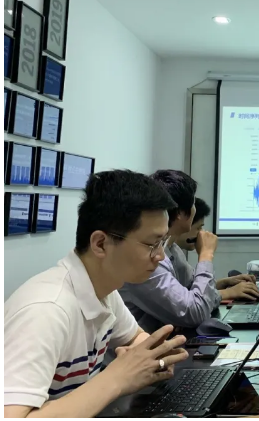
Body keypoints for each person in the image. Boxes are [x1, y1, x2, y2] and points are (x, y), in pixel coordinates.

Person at [4, 170, 189, 418]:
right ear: (100, 243)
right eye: (151, 244)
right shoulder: (46, 310)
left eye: (163, 242)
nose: (160, 255)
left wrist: (156, 357)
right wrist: (117, 378)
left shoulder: (103, 290)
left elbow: (135, 338)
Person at [120, 171, 259, 333]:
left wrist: (223, 285)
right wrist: (206, 255)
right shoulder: (146, 260)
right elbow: (196, 311)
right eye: (193, 203)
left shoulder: (171, 248)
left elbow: (194, 291)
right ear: (180, 213)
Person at [169, 197, 257, 299]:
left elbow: (193, 286)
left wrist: (225, 282)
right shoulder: (161, 259)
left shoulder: (175, 251)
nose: (201, 233)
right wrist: (206, 254)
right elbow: (192, 302)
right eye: (198, 228)